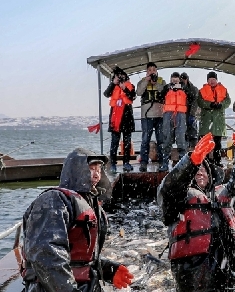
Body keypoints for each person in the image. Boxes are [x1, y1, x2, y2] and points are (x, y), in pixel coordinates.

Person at [157, 122, 235, 292]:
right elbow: (170, 188)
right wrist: (191, 162)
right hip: (193, 275)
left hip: (228, 273)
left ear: (211, 177)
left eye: (204, 168)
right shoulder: (177, 197)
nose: (200, 171)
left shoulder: (222, 195)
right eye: (197, 168)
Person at [21, 148, 134, 292]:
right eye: (91, 168)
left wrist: (107, 270)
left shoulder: (92, 205)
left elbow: (79, 257)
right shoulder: (54, 201)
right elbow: (47, 254)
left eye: (99, 169)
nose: (96, 174)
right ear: (75, 170)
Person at [103, 66, 136, 174]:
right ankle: (113, 163)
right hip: (115, 118)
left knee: (127, 142)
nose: (120, 78)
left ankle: (126, 162)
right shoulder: (113, 86)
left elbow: (132, 96)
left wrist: (124, 88)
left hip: (127, 117)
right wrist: (113, 83)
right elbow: (106, 94)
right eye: (118, 76)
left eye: (122, 76)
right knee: (114, 142)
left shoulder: (130, 86)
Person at [136, 62, 166, 172]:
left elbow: (164, 92)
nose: (152, 72)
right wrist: (146, 81)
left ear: (157, 71)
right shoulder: (142, 81)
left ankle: (163, 161)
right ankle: (143, 162)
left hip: (160, 115)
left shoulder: (161, 81)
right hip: (146, 115)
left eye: (154, 70)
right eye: (150, 70)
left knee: (161, 139)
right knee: (145, 140)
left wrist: (155, 83)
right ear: (147, 71)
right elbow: (138, 92)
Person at [197, 71, 231, 166]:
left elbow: (228, 101)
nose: (212, 81)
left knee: (217, 143)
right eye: (210, 79)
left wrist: (221, 105)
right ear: (207, 81)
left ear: (216, 80)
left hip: (218, 120)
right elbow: (200, 102)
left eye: (213, 79)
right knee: (206, 142)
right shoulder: (201, 91)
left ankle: (217, 161)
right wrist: (210, 105)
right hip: (206, 120)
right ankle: (206, 161)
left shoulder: (224, 90)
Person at [159, 72, 188, 172]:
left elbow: (192, 96)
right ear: (170, 79)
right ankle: (165, 163)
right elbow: (160, 97)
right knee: (167, 138)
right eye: (173, 78)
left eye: (176, 78)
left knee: (181, 140)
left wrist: (182, 87)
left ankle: (182, 164)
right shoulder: (167, 88)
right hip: (168, 116)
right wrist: (169, 88)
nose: (175, 79)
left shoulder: (185, 88)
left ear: (179, 79)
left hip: (181, 115)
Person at [180, 72, 199, 150]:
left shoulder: (194, 89)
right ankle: (184, 150)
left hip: (191, 114)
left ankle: (194, 150)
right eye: (181, 79)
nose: (183, 81)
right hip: (182, 114)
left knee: (193, 133)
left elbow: (196, 102)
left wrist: (192, 114)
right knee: (183, 134)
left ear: (187, 79)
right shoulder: (178, 88)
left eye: (184, 79)